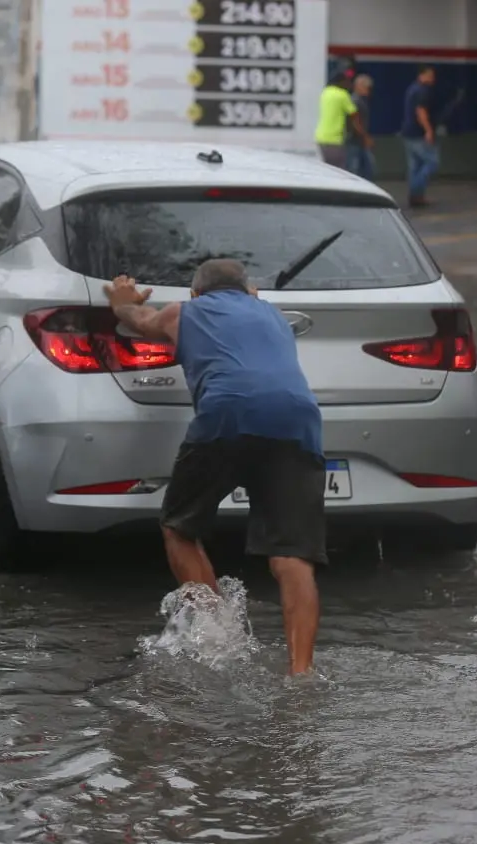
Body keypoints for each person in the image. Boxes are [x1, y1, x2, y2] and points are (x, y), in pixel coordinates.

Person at [103, 260, 325, 676]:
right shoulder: (274, 316)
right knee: (293, 557)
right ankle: (301, 673)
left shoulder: (187, 311)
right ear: (251, 292)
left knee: (179, 527)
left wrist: (122, 302)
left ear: (195, 294)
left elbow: (141, 321)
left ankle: (222, 638)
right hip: (298, 421)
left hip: (226, 416)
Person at [401, 65, 439, 207]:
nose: (432, 78)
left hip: (408, 132)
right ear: (421, 75)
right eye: (430, 75)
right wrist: (428, 130)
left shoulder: (412, 89)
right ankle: (417, 190)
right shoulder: (422, 91)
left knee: (414, 166)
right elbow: (421, 112)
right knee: (432, 162)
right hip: (418, 133)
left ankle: (416, 196)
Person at [314, 75, 365, 169]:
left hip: (321, 137)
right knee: (339, 169)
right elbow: (354, 115)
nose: (349, 86)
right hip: (335, 139)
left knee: (328, 168)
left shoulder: (325, 92)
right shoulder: (342, 95)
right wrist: (363, 136)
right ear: (342, 82)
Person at [344, 74, 375, 181]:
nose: (369, 91)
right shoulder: (356, 101)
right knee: (356, 169)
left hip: (357, 140)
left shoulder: (359, 100)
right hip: (354, 140)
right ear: (359, 86)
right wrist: (365, 137)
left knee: (363, 167)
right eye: (367, 87)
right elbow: (355, 122)